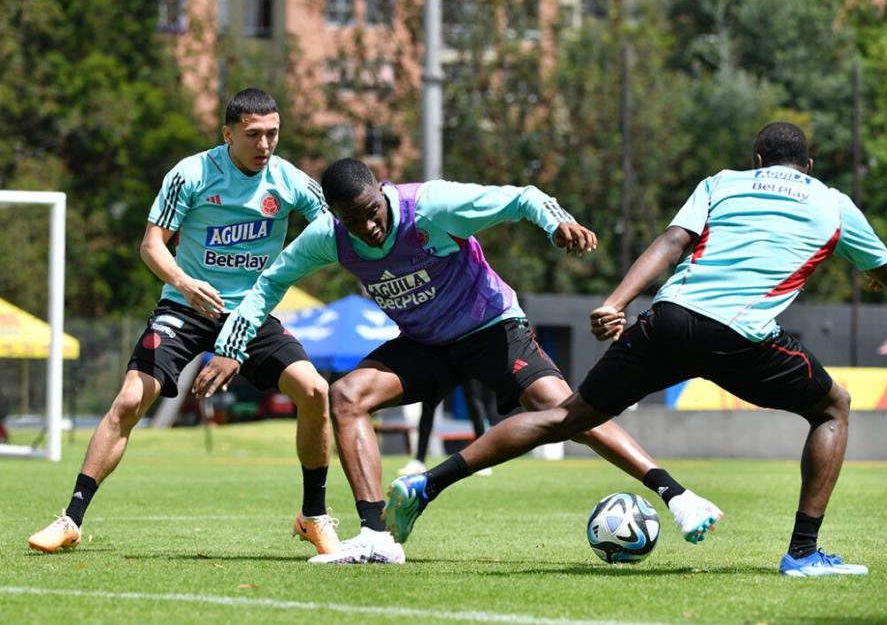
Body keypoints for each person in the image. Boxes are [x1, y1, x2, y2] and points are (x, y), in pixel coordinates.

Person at [385, 122, 887, 577]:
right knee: (832, 406)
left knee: (566, 416)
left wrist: (616, 301)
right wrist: (882, 276)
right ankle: (803, 554)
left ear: (757, 162)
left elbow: (672, 242)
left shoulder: (722, 184)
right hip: (738, 336)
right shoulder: (834, 203)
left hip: (668, 317)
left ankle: (426, 486)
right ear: (808, 166)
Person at [194, 157, 722, 564]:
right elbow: (269, 285)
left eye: (373, 213)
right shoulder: (328, 238)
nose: (369, 228)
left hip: (492, 329)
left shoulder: (432, 207)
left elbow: (521, 197)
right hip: (425, 345)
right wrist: (231, 346)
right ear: (336, 217)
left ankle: (676, 496)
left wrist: (555, 222)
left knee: (569, 413)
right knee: (345, 396)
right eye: (354, 222)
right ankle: (378, 537)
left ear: (383, 191)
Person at [27, 88, 339, 556]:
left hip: (251, 313)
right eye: (253, 135)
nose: (265, 144)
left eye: (273, 134)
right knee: (131, 399)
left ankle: (313, 516)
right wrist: (184, 282)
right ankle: (70, 519)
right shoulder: (191, 173)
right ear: (228, 133)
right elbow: (152, 244)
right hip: (185, 308)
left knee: (315, 391)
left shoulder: (290, 180)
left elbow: (332, 229)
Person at [398, 383, 494, 478]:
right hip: (444, 367)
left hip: (467, 367)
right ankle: (419, 461)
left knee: (473, 401)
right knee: (428, 401)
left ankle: (483, 461)